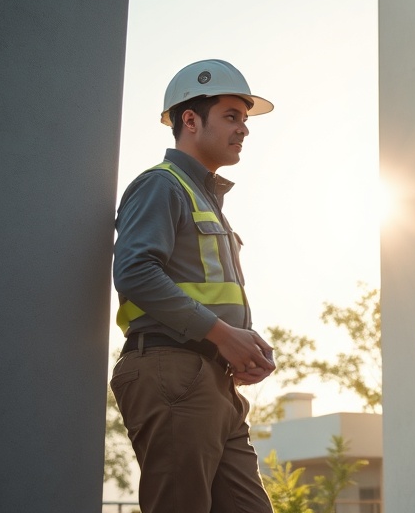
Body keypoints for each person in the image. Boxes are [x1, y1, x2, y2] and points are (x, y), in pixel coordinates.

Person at [110, 59, 278, 513]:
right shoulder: (160, 186)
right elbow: (135, 272)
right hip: (173, 372)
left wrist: (244, 344)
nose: (243, 129)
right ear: (190, 120)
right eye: (231, 116)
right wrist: (223, 335)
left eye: (244, 119)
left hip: (213, 380)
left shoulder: (204, 197)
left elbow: (207, 291)